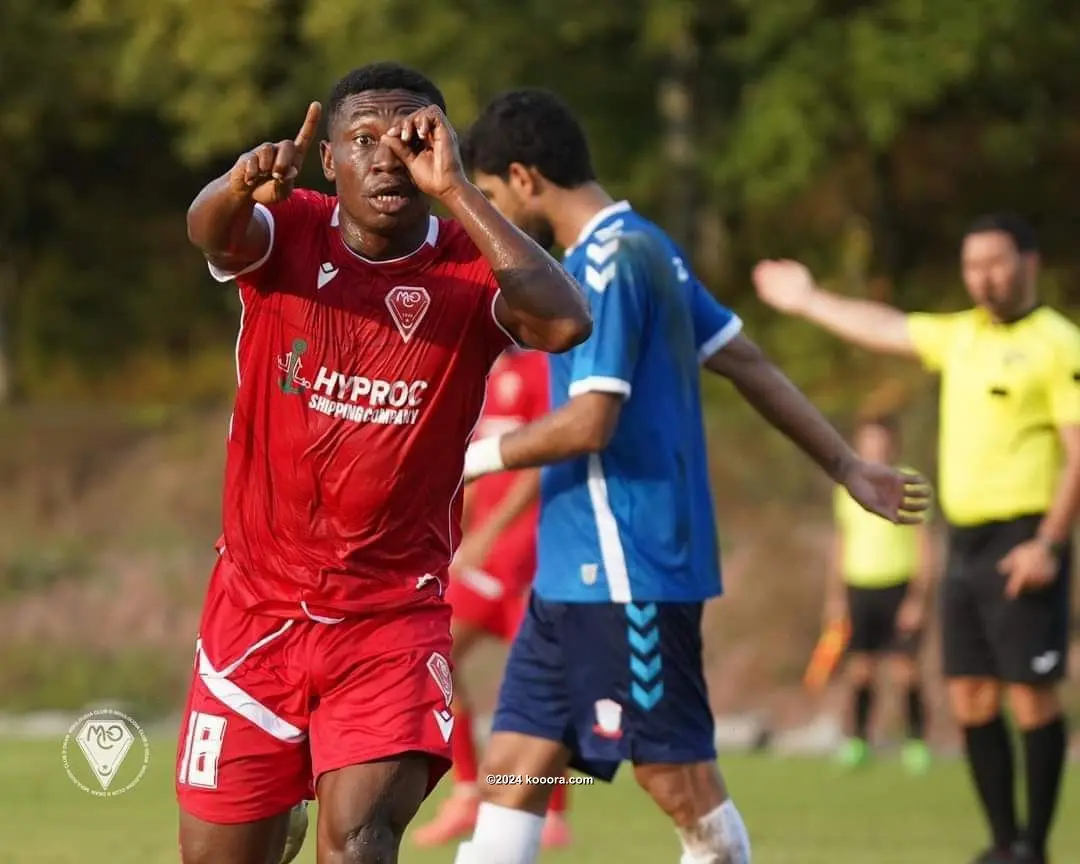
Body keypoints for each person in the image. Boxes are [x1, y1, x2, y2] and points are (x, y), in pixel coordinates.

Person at [450, 88, 928, 864]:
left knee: (677, 782)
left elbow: (591, 420)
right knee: (512, 773)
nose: (498, 221)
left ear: (525, 178)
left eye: (497, 198)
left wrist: (466, 458)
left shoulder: (611, 262)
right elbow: (746, 359)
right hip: (566, 580)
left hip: (625, 574)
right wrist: (844, 463)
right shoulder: (647, 245)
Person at [175, 63, 591, 864]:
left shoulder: (473, 264)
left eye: (409, 139)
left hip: (391, 620)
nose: (386, 158)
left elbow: (566, 323)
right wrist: (235, 184)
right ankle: (276, 805)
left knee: (360, 841)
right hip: (254, 616)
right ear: (328, 160)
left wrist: (460, 192)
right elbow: (211, 233)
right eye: (362, 140)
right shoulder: (290, 227)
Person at [753, 213, 1079, 864]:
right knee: (967, 692)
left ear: (1028, 263)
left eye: (995, 262)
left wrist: (1048, 541)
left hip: (1025, 537)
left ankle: (1035, 846)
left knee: (1032, 695)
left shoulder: (1058, 343)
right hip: (965, 541)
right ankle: (1003, 843)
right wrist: (807, 299)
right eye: (971, 265)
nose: (982, 276)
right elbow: (886, 327)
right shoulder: (960, 336)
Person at [413, 346, 573, 849]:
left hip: (532, 554)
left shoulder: (539, 369)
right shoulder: (480, 374)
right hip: (484, 559)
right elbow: (475, 467)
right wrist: (459, 531)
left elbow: (545, 458)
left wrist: (494, 532)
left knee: (545, 682)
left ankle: (551, 808)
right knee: (433, 660)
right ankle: (467, 790)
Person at [827, 413, 934, 773]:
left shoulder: (909, 483)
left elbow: (924, 546)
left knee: (906, 671)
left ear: (892, 443)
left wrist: (918, 597)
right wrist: (837, 595)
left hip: (899, 585)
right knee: (861, 671)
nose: (875, 448)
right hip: (859, 586)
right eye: (868, 441)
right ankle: (858, 741)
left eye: (881, 440)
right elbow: (840, 543)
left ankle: (917, 742)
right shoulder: (846, 487)